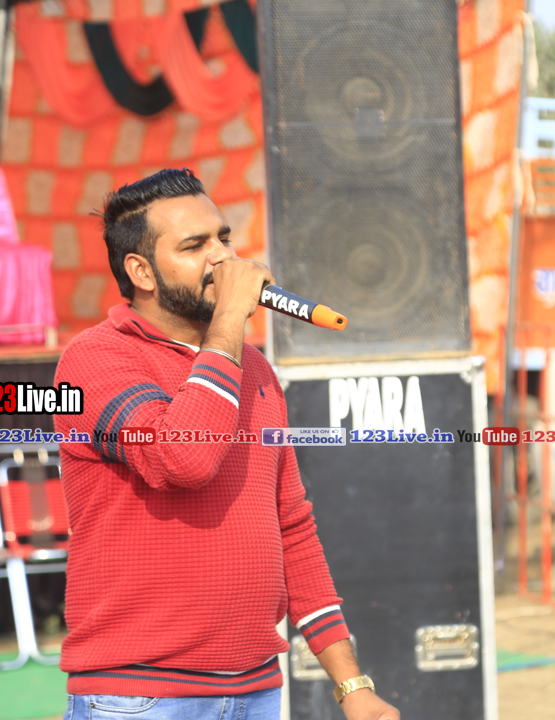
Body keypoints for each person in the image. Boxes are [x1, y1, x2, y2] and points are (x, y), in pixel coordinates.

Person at [53, 168, 399, 720]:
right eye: (194, 246)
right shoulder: (94, 360)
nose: (222, 258)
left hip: (255, 691)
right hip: (140, 697)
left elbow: (291, 526)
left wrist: (351, 684)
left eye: (223, 238)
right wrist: (232, 316)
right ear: (141, 271)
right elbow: (183, 457)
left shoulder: (253, 368)